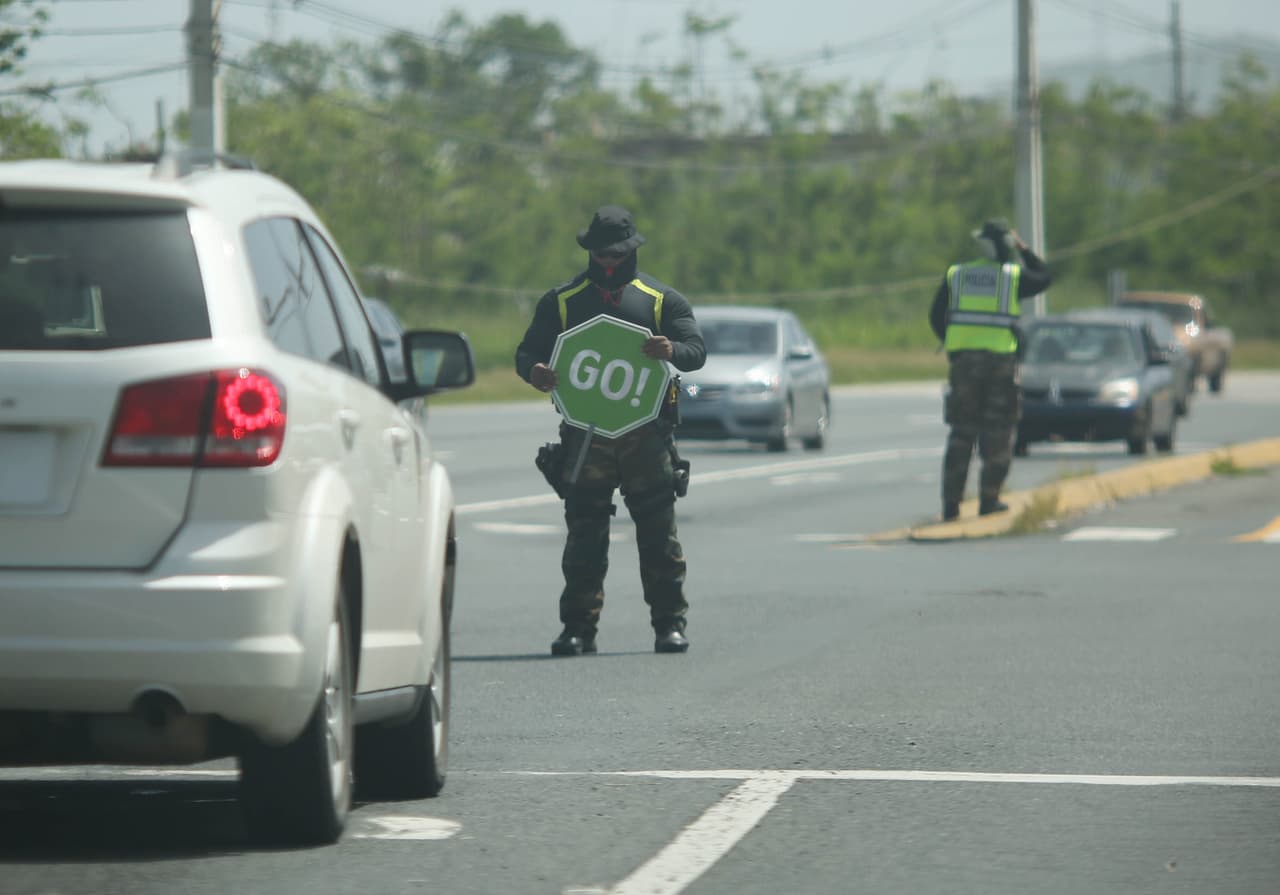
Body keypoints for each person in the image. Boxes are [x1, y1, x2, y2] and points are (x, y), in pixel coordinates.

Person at [515, 205, 706, 656]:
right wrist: (536, 372)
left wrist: (672, 348)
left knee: (659, 535)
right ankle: (578, 628)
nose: (608, 263)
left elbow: (697, 350)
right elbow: (527, 353)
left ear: (632, 250)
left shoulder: (660, 300)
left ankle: (669, 625)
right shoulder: (562, 301)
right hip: (586, 437)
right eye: (601, 254)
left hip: (647, 438)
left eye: (616, 254)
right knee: (584, 535)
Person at [928, 218, 1051, 522]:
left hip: (964, 365)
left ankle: (951, 505)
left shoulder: (958, 275)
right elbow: (1045, 276)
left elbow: (935, 315)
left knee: (961, 433)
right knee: (999, 432)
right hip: (1000, 366)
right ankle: (989, 499)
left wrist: (953, 341)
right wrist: (1024, 249)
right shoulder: (1012, 277)